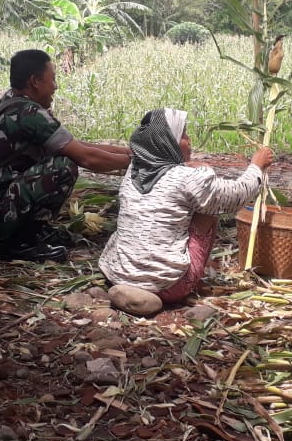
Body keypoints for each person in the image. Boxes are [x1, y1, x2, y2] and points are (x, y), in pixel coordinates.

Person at [0, 49, 131, 262]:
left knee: (64, 157)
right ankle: (21, 243)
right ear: (35, 82)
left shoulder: (10, 103)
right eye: (53, 79)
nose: (55, 86)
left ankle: (29, 232)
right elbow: (86, 158)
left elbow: (75, 144)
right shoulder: (29, 114)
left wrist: (128, 152)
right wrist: (136, 162)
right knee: (63, 166)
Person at [99, 108, 274, 305]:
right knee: (209, 210)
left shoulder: (134, 170)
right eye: (183, 134)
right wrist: (256, 167)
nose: (189, 140)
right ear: (167, 142)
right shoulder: (187, 178)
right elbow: (233, 197)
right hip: (168, 286)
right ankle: (190, 277)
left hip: (117, 275)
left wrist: (202, 170)